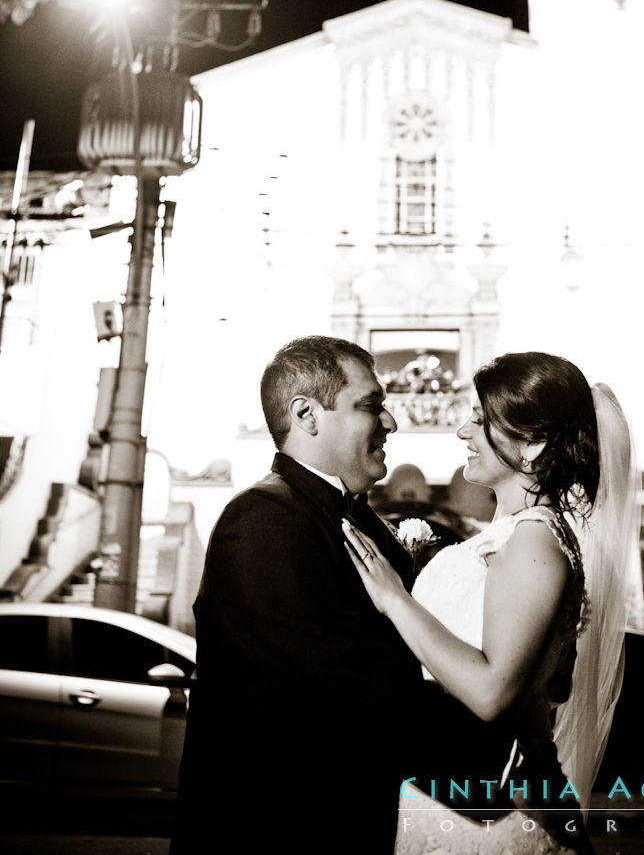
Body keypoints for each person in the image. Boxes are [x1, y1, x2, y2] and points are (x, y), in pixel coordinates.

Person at [170, 335, 509, 854]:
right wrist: (493, 761)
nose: (391, 423)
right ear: (307, 414)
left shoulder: (351, 514)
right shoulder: (263, 522)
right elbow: (343, 687)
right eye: (371, 406)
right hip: (276, 831)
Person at [344, 351, 637, 855]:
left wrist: (396, 598)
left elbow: (490, 691)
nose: (462, 431)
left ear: (534, 444)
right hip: (442, 791)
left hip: (493, 808)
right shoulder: (503, 537)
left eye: (480, 420)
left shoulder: (534, 540)